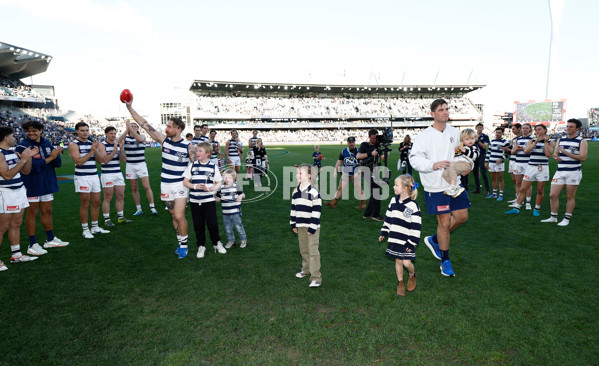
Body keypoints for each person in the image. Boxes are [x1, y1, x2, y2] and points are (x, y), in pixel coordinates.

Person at [409, 98, 471, 277]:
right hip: (435, 186)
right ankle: (445, 261)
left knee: (462, 217)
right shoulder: (423, 136)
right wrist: (432, 164)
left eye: (446, 109)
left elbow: (459, 154)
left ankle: (434, 240)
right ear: (433, 114)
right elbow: (414, 159)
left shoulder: (454, 132)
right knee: (444, 222)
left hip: (454, 183)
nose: (445, 112)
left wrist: (463, 166)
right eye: (441, 110)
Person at [125, 98, 191, 257]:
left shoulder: (189, 146)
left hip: (180, 185)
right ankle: (180, 241)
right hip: (165, 184)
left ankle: (184, 246)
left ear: (178, 128)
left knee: (179, 216)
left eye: (169, 126)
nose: (166, 128)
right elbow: (145, 125)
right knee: (173, 215)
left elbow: (196, 167)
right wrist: (130, 108)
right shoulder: (163, 140)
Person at [15, 120, 69, 256]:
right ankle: (32, 244)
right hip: (31, 184)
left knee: (48, 211)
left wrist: (56, 155)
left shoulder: (46, 143)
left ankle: (50, 239)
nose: (31, 133)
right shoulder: (23, 146)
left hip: (47, 182)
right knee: (32, 213)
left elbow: (57, 163)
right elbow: (31, 166)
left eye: (34, 130)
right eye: (29, 131)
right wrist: (50, 158)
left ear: (41, 131)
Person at [0, 127, 39, 270]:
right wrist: (22, 160)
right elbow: (7, 176)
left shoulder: (13, 151)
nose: (14, 138)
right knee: (2, 227)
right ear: (5, 138)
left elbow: (26, 171)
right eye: (12, 136)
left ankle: (16, 255)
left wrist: (27, 158)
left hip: (19, 191)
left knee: (16, 223)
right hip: (6, 193)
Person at [378, 174, 421, 296]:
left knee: (407, 263)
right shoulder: (393, 201)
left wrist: (411, 242)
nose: (393, 187)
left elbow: (416, 227)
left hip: (407, 241)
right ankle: (400, 283)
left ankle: (412, 275)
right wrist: (384, 232)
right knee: (398, 261)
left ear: (406, 188)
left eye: (396, 185)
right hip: (395, 238)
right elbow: (388, 218)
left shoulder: (413, 206)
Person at [182, 142, 226, 258]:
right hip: (195, 201)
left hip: (208, 201)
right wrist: (195, 186)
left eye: (200, 151)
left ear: (208, 153)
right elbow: (185, 182)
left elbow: (219, 182)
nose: (197, 153)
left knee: (212, 224)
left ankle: (216, 243)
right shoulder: (192, 166)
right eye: (197, 151)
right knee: (198, 225)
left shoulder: (213, 166)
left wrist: (212, 188)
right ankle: (201, 246)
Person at [541, 119, 588, 226]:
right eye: (567, 126)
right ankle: (553, 217)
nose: (568, 128)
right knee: (553, 195)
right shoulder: (560, 140)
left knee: (570, 196)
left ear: (577, 129)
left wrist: (565, 152)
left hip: (573, 172)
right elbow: (556, 153)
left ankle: (566, 219)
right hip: (560, 171)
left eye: (571, 127)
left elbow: (583, 157)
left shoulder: (582, 141)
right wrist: (556, 157)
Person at [68, 122, 110, 239]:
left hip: (94, 176)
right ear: (77, 131)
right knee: (85, 203)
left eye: (87, 130)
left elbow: (100, 161)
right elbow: (79, 162)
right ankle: (85, 229)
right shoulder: (74, 144)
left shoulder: (91, 143)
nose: (85, 132)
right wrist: (91, 151)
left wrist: (95, 149)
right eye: (82, 130)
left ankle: (95, 227)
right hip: (82, 177)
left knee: (96, 202)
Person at [505, 124, 554, 216]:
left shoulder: (550, 142)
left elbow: (548, 154)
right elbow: (527, 151)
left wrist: (544, 143)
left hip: (543, 168)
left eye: (540, 129)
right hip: (531, 167)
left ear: (545, 130)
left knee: (540, 190)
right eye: (536, 130)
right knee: (523, 188)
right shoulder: (531, 140)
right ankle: (517, 208)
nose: (538, 131)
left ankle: (536, 209)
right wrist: (535, 142)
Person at [290, 163, 322, 288]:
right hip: (300, 225)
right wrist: (293, 222)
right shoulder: (295, 191)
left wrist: (313, 226)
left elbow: (317, 210)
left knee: (313, 250)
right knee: (303, 249)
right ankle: (306, 269)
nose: (298, 175)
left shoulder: (314, 191)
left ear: (309, 176)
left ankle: (316, 278)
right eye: (297, 173)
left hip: (312, 226)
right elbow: (293, 208)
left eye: (300, 173)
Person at [121, 120, 158, 216]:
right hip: (130, 165)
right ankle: (138, 208)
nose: (133, 127)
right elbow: (117, 142)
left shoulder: (142, 137)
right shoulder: (125, 139)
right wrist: (126, 129)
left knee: (146, 186)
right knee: (134, 188)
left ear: (137, 128)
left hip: (141, 165)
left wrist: (130, 128)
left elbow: (140, 140)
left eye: (134, 126)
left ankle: (152, 207)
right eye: (131, 126)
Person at [96, 126, 131, 227]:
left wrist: (121, 149)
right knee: (108, 197)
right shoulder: (102, 145)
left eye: (114, 133)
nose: (113, 135)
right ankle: (107, 219)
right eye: (111, 133)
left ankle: (120, 217)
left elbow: (123, 160)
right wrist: (115, 150)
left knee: (120, 196)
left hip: (118, 173)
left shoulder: (117, 144)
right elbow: (105, 160)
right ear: (106, 134)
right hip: (107, 174)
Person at [325, 136, 366, 209]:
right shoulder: (343, 151)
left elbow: (362, 163)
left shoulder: (359, 151)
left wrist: (358, 172)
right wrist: (335, 171)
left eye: (353, 142)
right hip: (346, 173)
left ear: (355, 142)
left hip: (355, 173)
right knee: (340, 188)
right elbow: (339, 161)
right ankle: (333, 203)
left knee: (358, 189)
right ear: (347, 143)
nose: (351, 144)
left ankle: (363, 204)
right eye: (350, 142)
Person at [356, 128, 387, 222]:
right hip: (366, 170)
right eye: (373, 138)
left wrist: (386, 152)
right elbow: (358, 156)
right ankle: (375, 214)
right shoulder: (364, 145)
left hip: (375, 171)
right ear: (369, 137)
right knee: (377, 192)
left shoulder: (378, 146)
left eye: (376, 138)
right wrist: (370, 153)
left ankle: (367, 213)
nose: (374, 140)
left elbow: (383, 159)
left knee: (375, 192)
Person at [441, 128, 479, 198]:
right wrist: (456, 150)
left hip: (466, 163)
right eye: (467, 139)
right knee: (444, 174)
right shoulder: (461, 147)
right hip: (458, 163)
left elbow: (475, 156)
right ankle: (457, 187)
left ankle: (452, 187)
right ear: (462, 140)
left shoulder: (474, 147)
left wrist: (464, 151)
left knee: (451, 166)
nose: (470, 141)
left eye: (472, 138)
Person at [216, 169, 247, 249]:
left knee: (238, 226)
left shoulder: (236, 186)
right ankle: (231, 241)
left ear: (234, 178)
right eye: (225, 177)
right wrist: (216, 197)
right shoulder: (221, 188)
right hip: (225, 212)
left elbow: (243, 195)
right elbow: (218, 199)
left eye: (230, 178)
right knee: (227, 228)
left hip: (236, 211)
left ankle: (243, 240)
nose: (227, 180)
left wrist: (240, 196)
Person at [510, 123, 533, 209]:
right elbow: (512, 152)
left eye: (527, 128)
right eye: (523, 128)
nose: (525, 130)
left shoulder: (532, 139)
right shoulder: (517, 139)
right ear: (521, 129)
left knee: (527, 184)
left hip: (528, 163)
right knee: (518, 183)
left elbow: (532, 152)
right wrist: (516, 149)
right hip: (518, 163)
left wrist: (523, 148)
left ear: (530, 129)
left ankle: (528, 202)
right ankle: (519, 200)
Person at [466, 123, 491, 195]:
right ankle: (477, 189)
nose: (479, 129)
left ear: (483, 128)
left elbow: (484, 147)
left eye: (481, 127)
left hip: (482, 155)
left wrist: (477, 141)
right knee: (475, 173)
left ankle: (488, 190)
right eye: (478, 127)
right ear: (476, 128)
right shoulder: (473, 136)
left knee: (483, 172)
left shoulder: (485, 136)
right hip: (474, 155)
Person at [485, 127, 509, 200]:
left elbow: (509, 153)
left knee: (500, 179)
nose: (497, 134)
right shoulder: (492, 141)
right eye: (497, 132)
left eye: (499, 132)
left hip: (500, 163)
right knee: (493, 179)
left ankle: (501, 195)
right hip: (491, 163)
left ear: (502, 133)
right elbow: (489, 152)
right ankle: (494, 194)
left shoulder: (505, 142)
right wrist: (486, 161)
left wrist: (501, 158)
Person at [506, 123, 522, 203]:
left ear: (519, 129)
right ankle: (517, 197)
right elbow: (511, 151)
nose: (512, 131)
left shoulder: (523, 139)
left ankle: (521, 199)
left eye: (513, 129)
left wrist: (509, 150)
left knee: (519, 181)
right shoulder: (514, 139)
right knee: (514, 181)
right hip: (511, 161)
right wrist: (507, 150)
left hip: (518, 161)